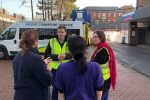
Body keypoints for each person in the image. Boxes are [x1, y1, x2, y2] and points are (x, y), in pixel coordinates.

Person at [54, 36, 104, 100]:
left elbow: (61, 94)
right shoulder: (96, 67)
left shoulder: (62, 68)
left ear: (69, 51)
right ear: (85, 49)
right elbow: (99, 92)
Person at [13, 30, 53, 100]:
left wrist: (41, 63)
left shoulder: (18, 55)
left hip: (20, 96)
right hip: (34, 96)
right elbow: (48, 80)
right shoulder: (34, 58)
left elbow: (28, 69)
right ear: (35, 42)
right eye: (37, 39)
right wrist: (48, 70)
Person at [44, 25, 72, 100]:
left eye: (62, 32)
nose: (60, 34)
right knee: (55, 89)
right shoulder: (52, 41)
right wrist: (57, 57)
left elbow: (74, 54)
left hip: (67, 69)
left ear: (65, 32)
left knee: (67, 88)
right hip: (55, 70)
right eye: (59, 32)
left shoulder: (70, 41)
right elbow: (46, 55)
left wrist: (65, 56)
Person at [90, 31, 117, 100]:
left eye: (96, 37)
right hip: (103, 79)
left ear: (101, 38)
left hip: (102, 80)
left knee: (100, 97)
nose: (94, 39)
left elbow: (92, 64)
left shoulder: (103, 51)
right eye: (93, 37)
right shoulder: (100, 48)